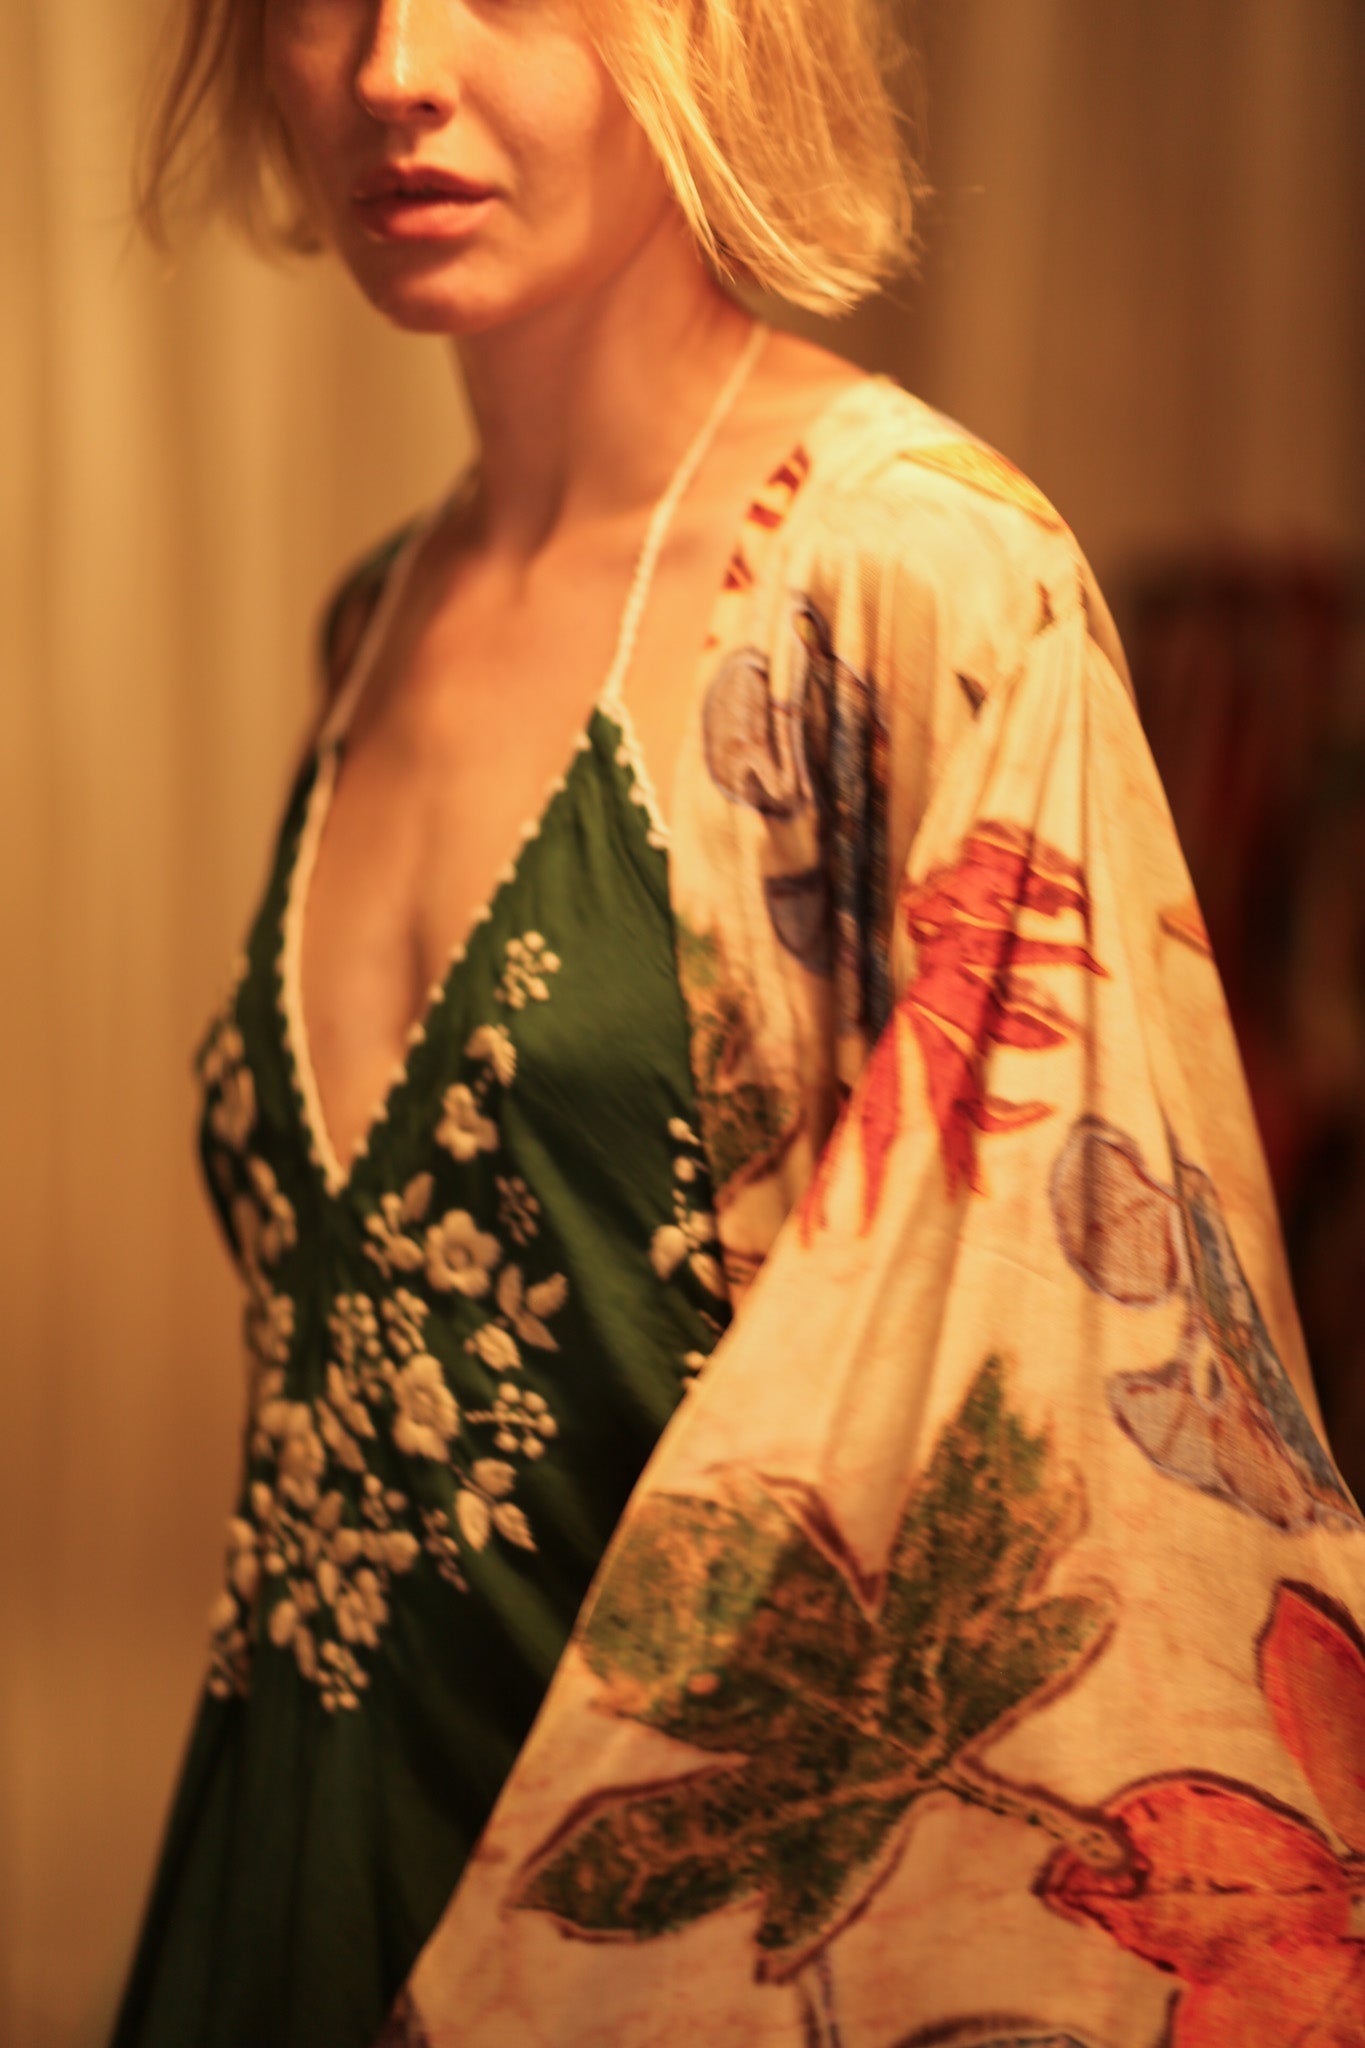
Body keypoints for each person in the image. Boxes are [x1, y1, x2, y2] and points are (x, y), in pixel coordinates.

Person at [113, 3, 1365, 2046]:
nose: (392, 68)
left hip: (663, 1967)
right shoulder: (377, 616)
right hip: (273, 1884)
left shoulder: (924, 578)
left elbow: (1097, 1421)